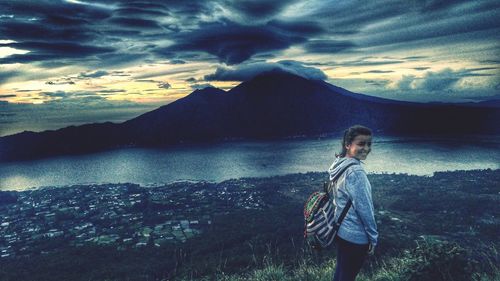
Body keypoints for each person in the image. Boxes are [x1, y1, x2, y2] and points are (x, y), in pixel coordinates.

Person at [328, 125, 378, 281]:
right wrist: (373, 237)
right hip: (355, 236)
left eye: (369, 144)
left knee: (341, 274)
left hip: (341, 230)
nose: (366, 148)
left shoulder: (339, 163)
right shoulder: (356, 172)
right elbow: (365, 210)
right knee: (347, 276)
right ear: (348, 144)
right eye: (361, 144)